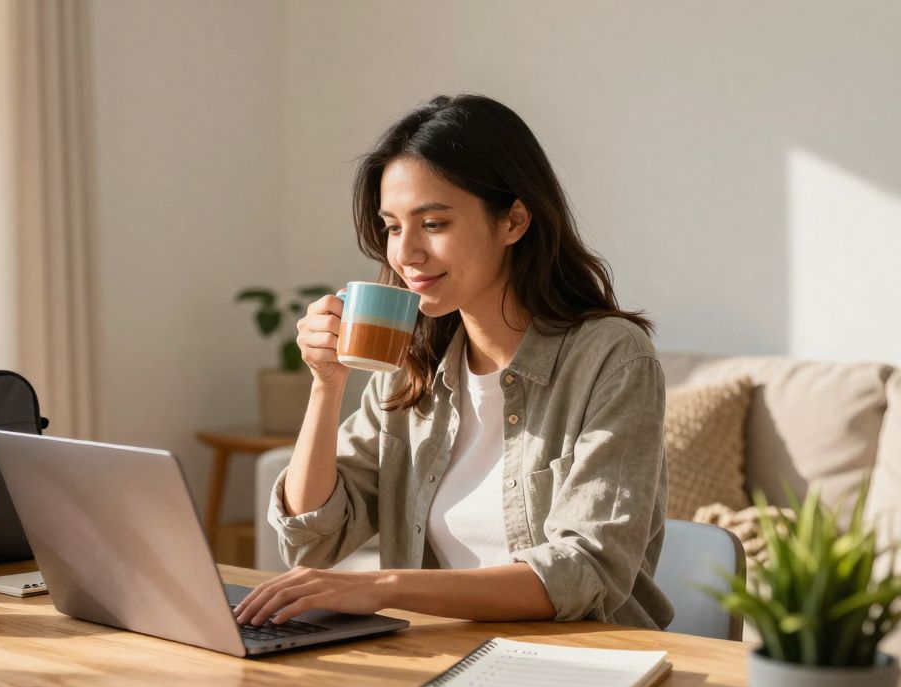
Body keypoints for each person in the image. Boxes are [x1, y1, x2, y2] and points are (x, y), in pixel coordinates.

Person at [235, 94, 673, 630]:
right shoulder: (411, 364)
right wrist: (326, 386)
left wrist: (383, 587)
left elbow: (585, 570)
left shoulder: (612, 358)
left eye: (434, 223)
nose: (406, 253)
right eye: (393, 227)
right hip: (438, 659)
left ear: (513, 221)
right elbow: (313, 538)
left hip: (582, 666)